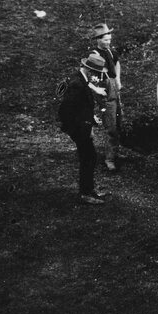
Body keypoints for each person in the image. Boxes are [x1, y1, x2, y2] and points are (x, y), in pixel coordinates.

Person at [58, 52, 110, 205]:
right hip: (79, 129)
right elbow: (65, 110)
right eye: (96, 73)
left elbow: (81, 107)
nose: (98, 77)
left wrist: (90, 118)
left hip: (82, 126)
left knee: (90, 157)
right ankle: (85, 193)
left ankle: (89, 190)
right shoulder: (77, 85)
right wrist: (79, 130)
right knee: (88, 158)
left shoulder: (82, 80)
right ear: (89, 70)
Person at [89, 22, 124, 171]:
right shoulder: (95, 55)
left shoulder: (110, 51)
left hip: (114, 89)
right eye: (105, 40)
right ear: (98, 39)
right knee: (110, 126)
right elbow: (91, 77)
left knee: (118, 122)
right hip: (105, 91)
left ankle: (114, 153)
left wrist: (118, 80)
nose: (108, 42)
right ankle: (109, 160)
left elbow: (117, 63)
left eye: (109, 40)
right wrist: (99, 91)